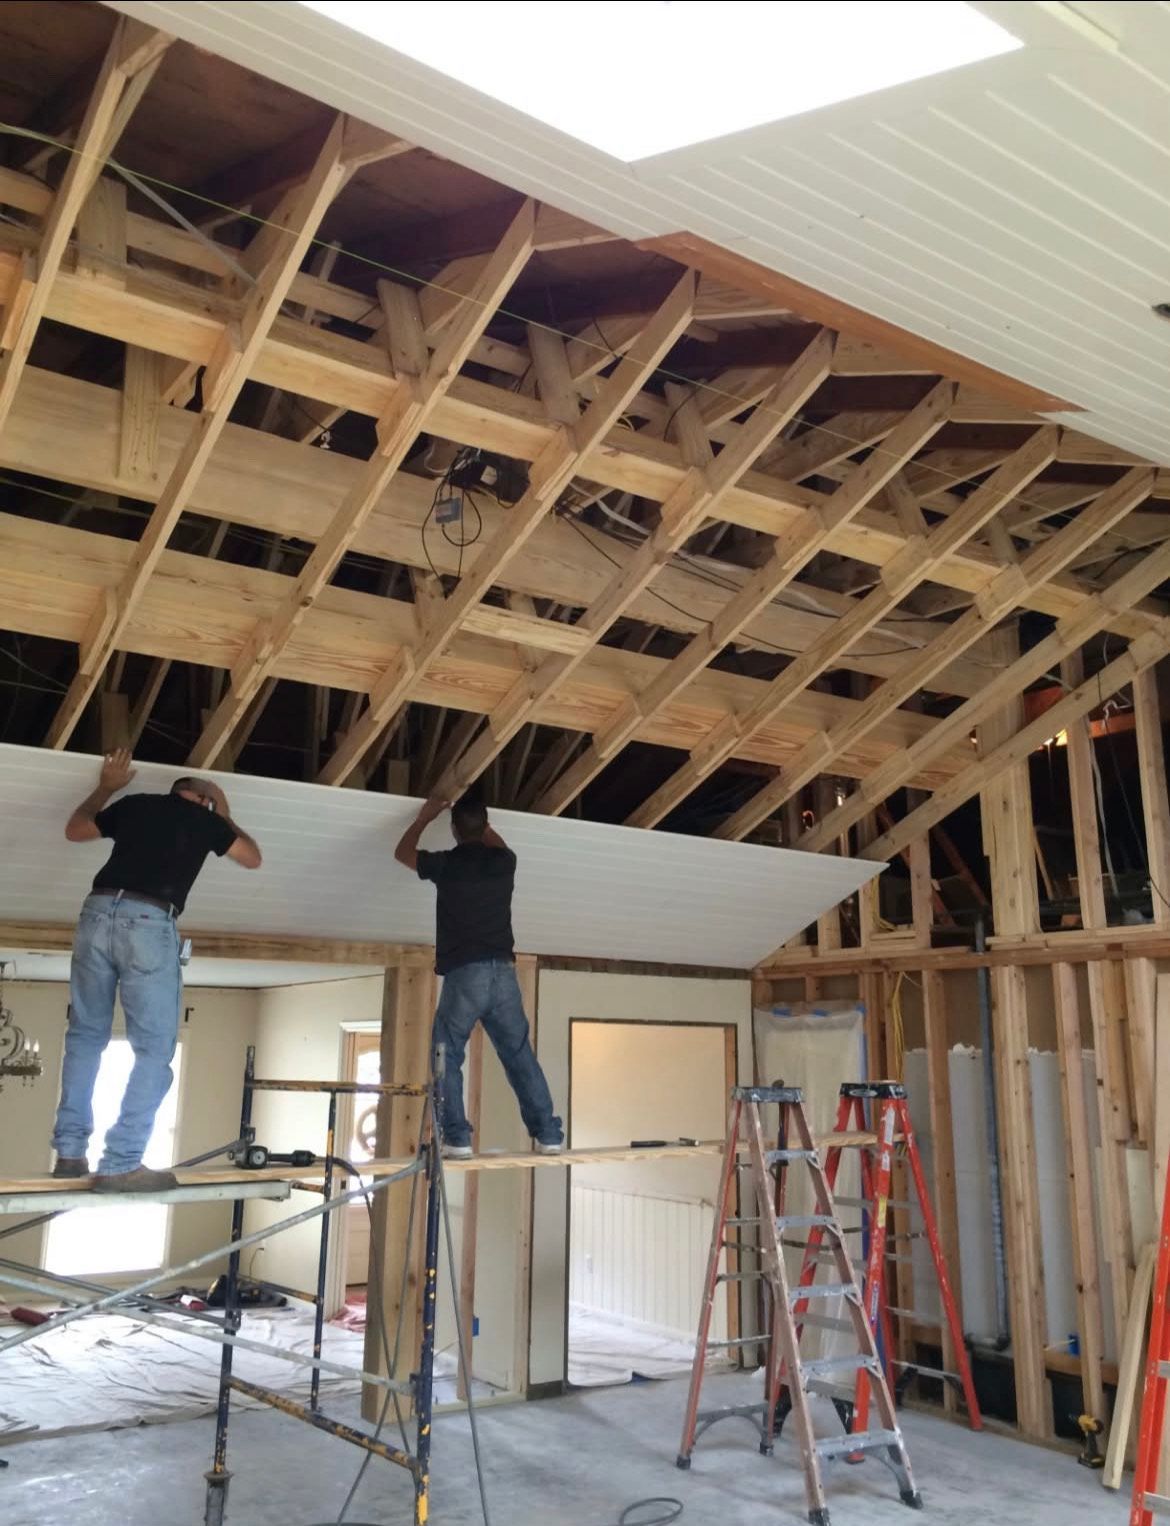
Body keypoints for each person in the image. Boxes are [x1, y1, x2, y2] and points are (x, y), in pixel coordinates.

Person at [51, 749, 262, 1192]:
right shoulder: (208, 821)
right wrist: (225, 813)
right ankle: (121, 1161)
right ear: (202, 801)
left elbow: (74, 830)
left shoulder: (137, 804)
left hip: (95, 912)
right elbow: (251, 857)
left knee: (86, 1035)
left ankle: (70, 1153)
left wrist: (108, 785)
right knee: (153, 1049)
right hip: (147, 922)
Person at [395, 795, 563, 1159]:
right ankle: (548, 1134)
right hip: (503, 975)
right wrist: (479, 823)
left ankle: (457, 1138)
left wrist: (425, 817)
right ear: (486, 826)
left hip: (465, 975)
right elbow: (496, 842)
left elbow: (403, 852)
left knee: (447, 1054)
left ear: (453, 829)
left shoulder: (447, 865)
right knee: (519, 1055)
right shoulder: (505, 862)